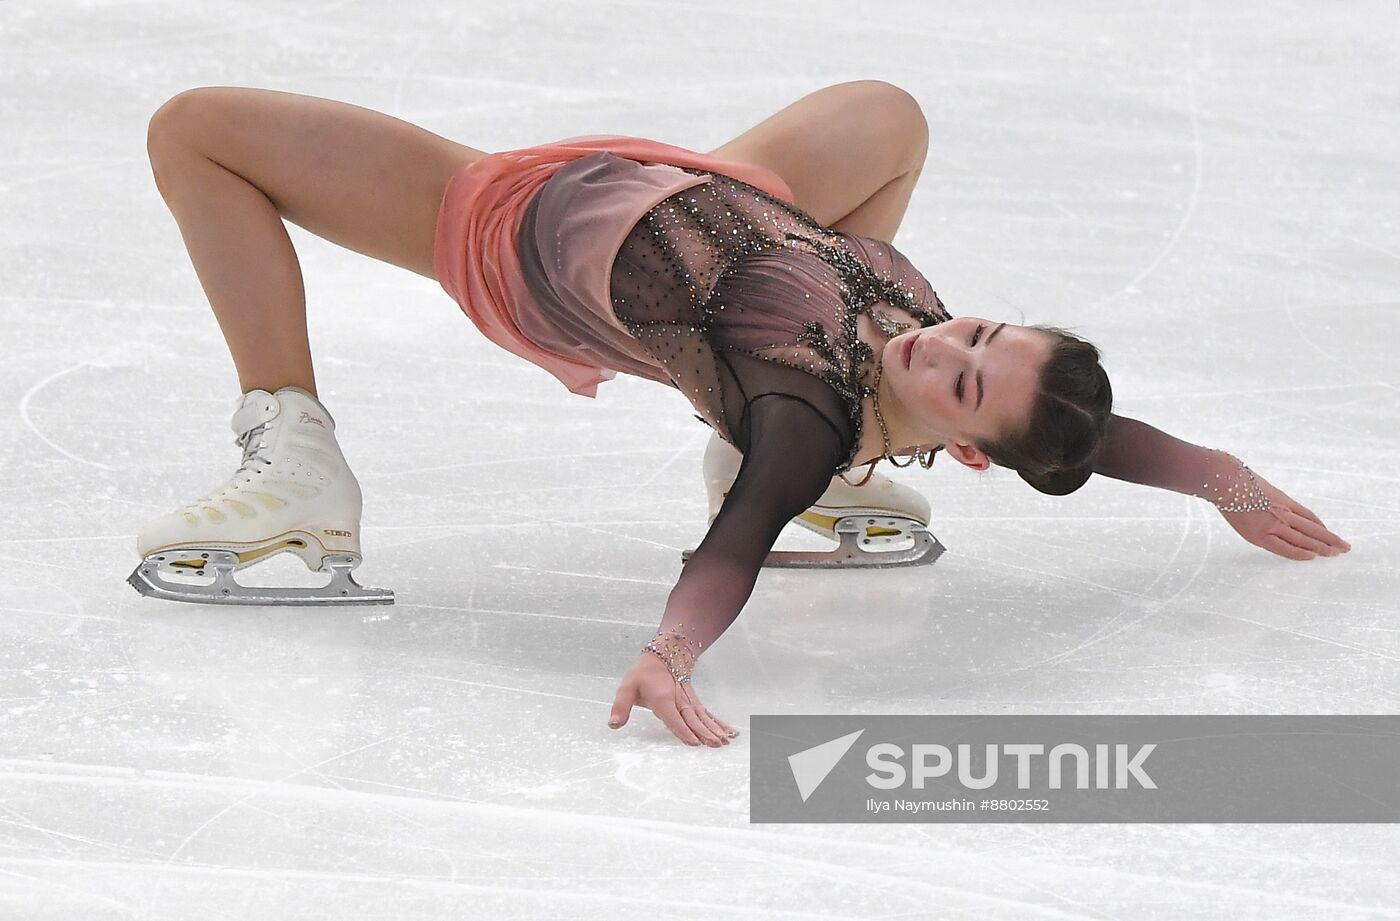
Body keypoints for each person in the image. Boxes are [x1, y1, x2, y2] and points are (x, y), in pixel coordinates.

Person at [131, 80, 1350, 747]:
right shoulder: (932, 356)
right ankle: (828, 404)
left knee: (198, 133)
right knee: (885, 113)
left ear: (964, 445)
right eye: (981, 328)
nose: (946, 338)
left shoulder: (798, 406)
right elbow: (1073, 438)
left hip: (513, 232)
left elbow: (739, 544)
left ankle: (293, 457)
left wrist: (668, 655)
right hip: (705, 192)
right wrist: (1220, 475)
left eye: (962, 378)